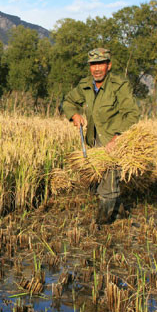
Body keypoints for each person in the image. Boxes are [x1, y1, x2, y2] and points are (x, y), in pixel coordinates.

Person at [62, 48, 140, 226]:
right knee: (97, 184)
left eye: (101, 64)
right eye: (93, 65)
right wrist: (74, 115)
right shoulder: (85, 86)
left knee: (108, 186)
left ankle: (102, 224)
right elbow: (68, 101)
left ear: (109, 65)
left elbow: (132, 114)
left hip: (114, 142)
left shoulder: (119, 86)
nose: (96, 69)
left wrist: (117, 137)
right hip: (94, 143)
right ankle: (120, 213)